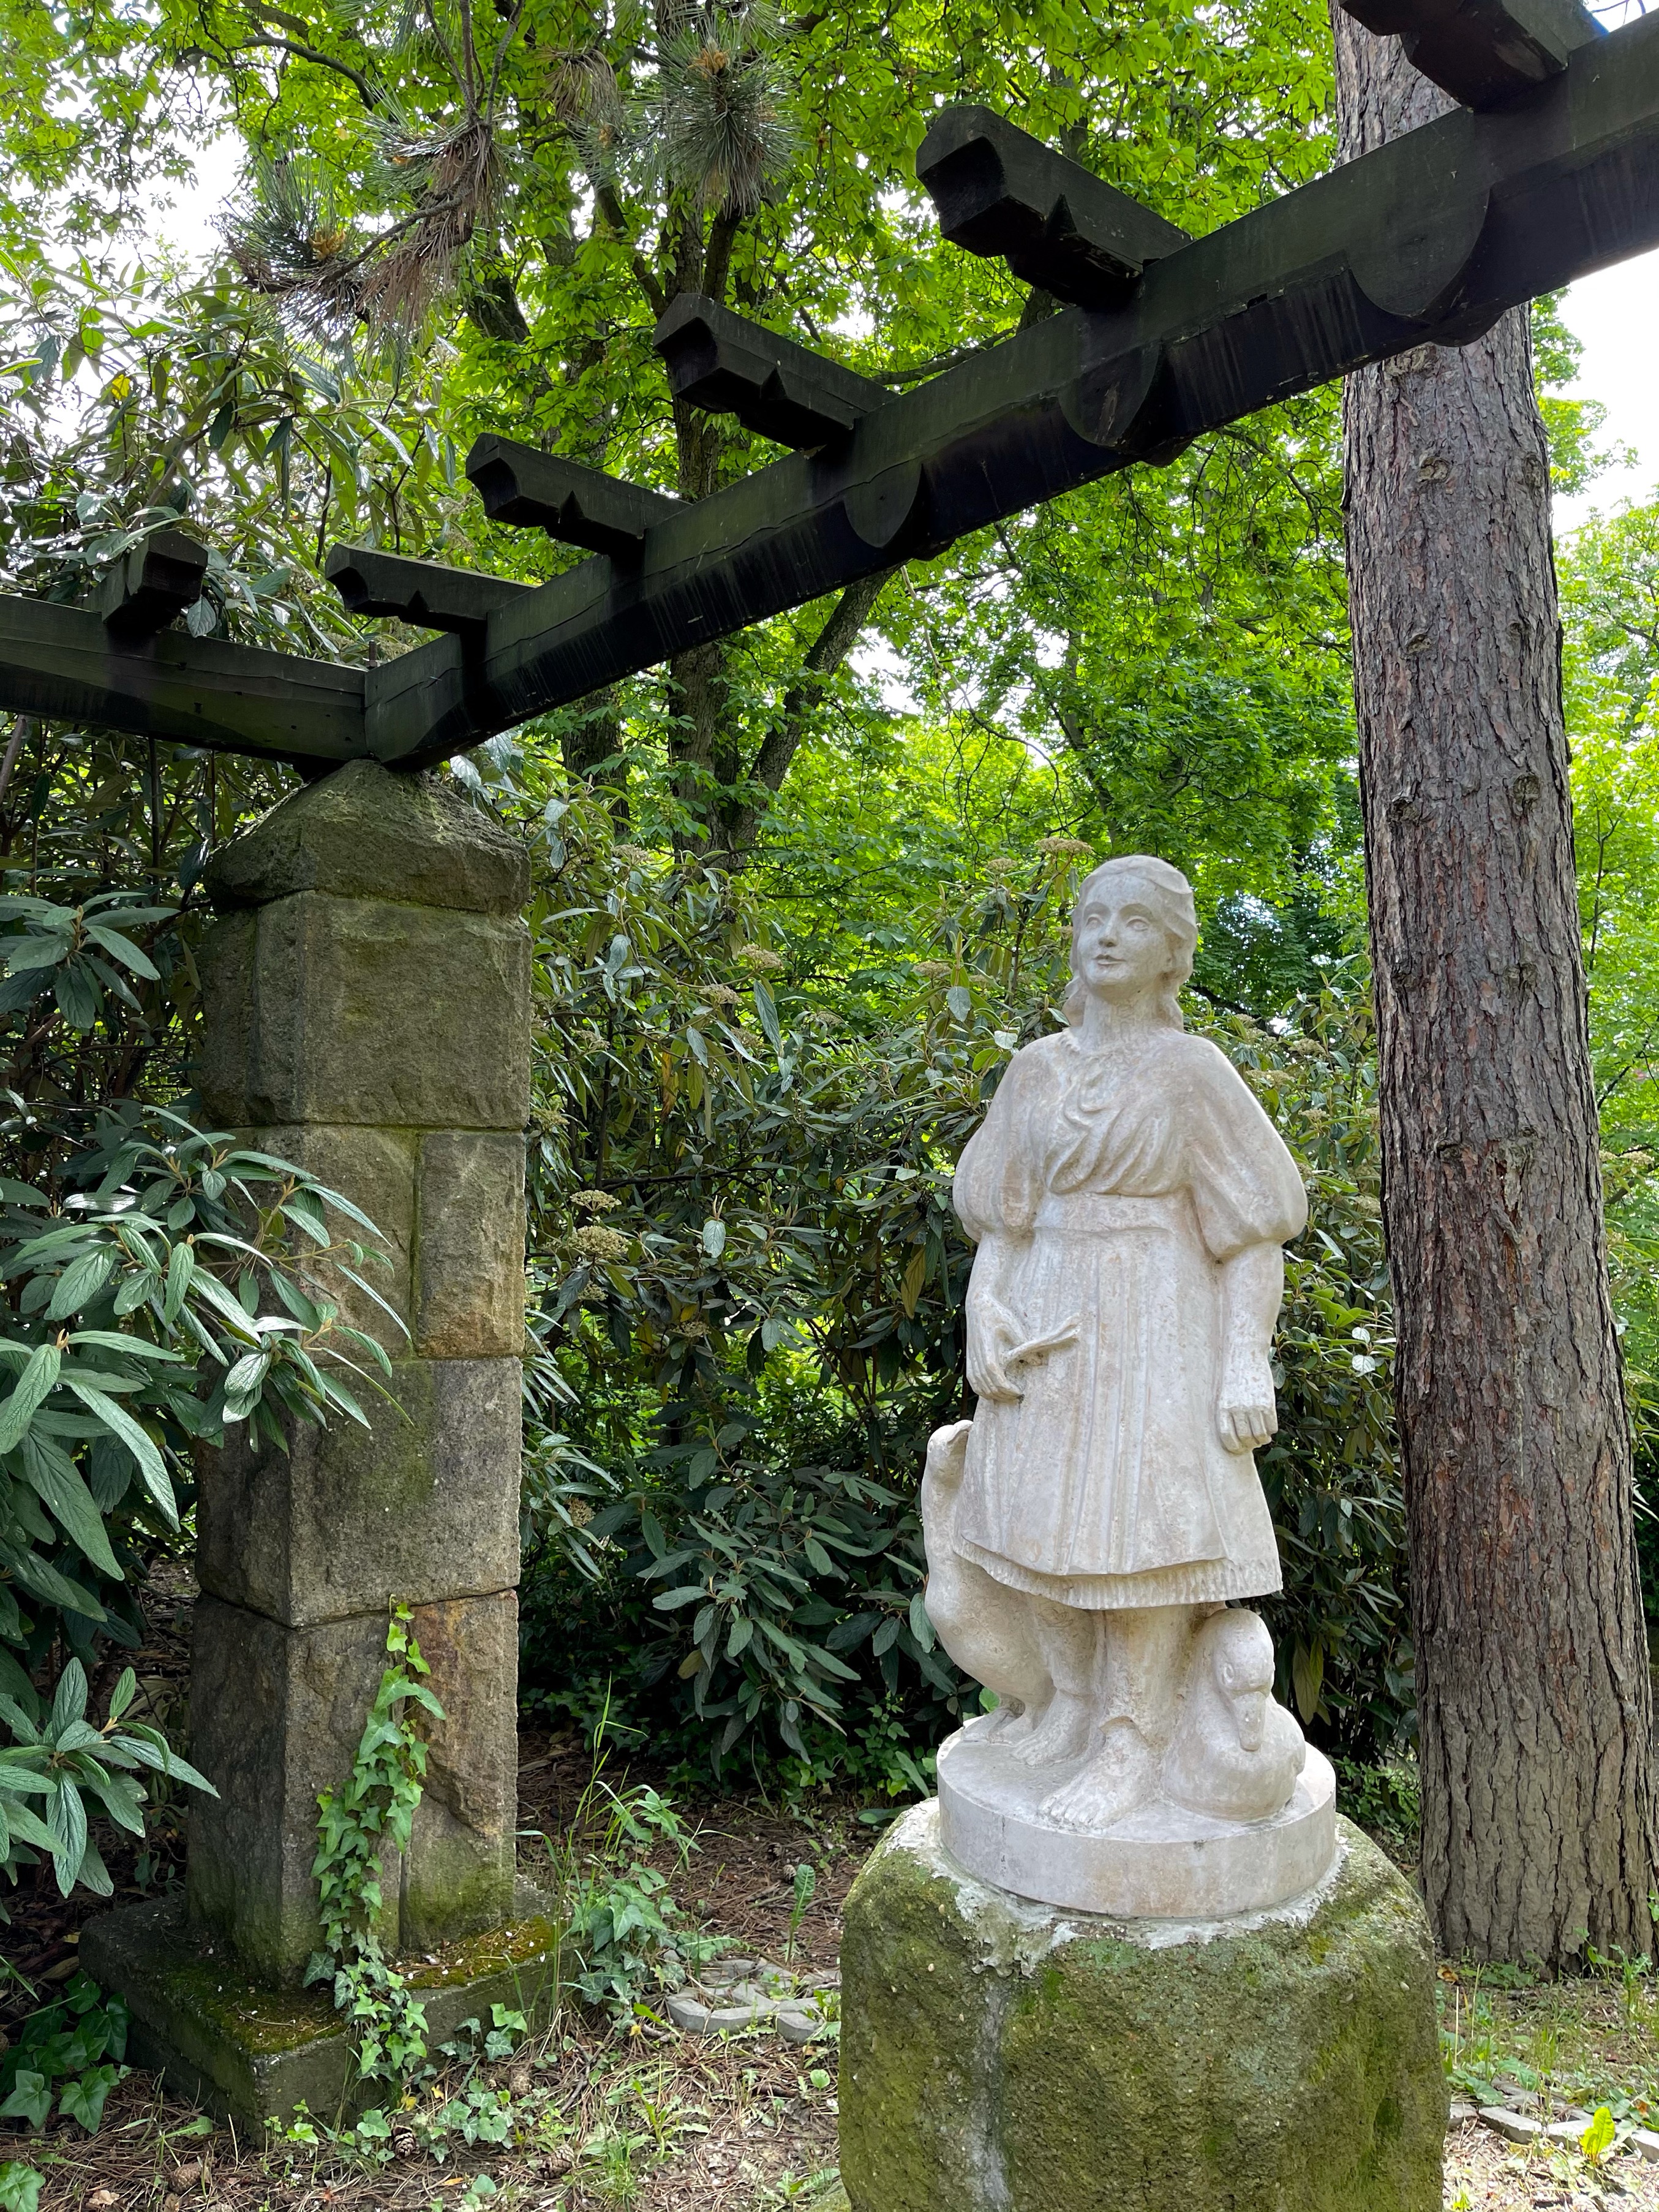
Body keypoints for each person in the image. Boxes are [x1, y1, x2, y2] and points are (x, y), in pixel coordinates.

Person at [945, 854, 1307, 1831]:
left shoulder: (1191, 1072)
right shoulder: (1036, 1069)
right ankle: (1068, 1706)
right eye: (1093, 917)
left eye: (1135, 921)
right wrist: (984, 1310)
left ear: (1172, 952)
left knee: (1142, 1539)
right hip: (1044, 1316)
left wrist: (1244, 1359)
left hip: (1154, 1317)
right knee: (1034, 1526)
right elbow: (1004, 1217)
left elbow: (1253, 1233)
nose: (1106, 935)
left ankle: (1129, 1739)